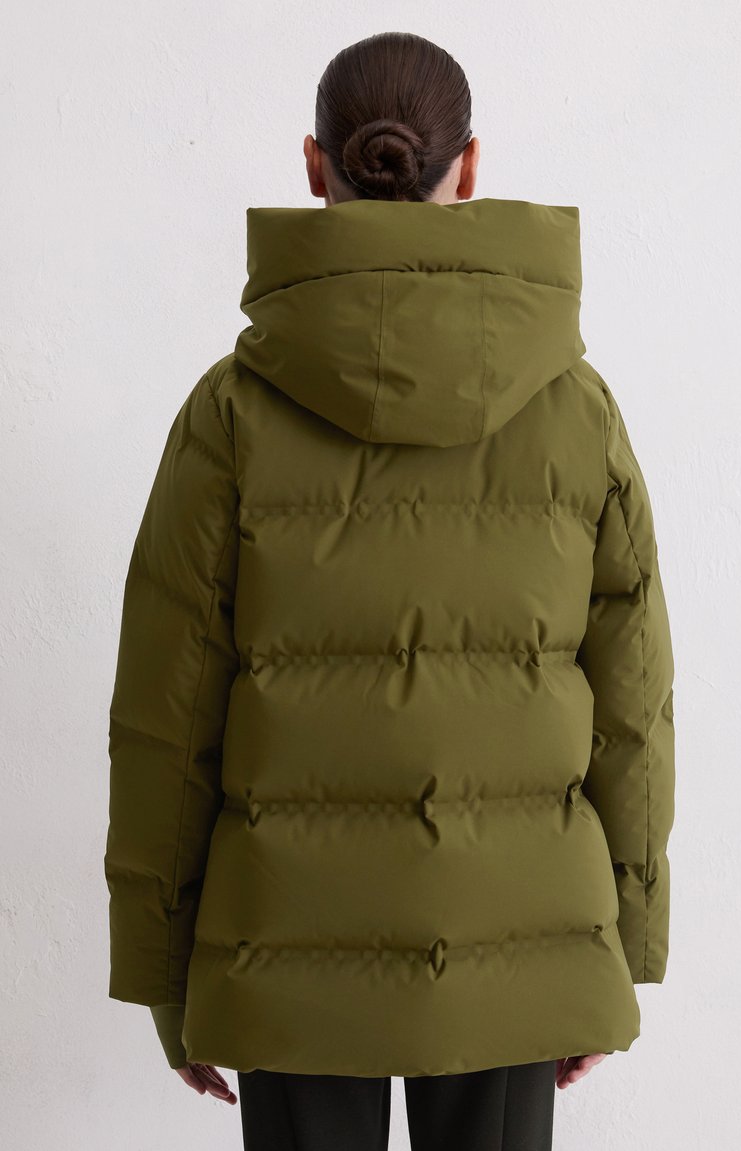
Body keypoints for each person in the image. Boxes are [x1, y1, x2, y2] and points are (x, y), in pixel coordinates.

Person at [103, 30, 676, 1151]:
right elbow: (633, 707)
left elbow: (165, 717)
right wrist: (616, 948)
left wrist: (168, 975)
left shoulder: (229, 413)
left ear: (313, 166)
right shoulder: (578, 410)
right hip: (524, 930)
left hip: (281, 945)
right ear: (471, 167)